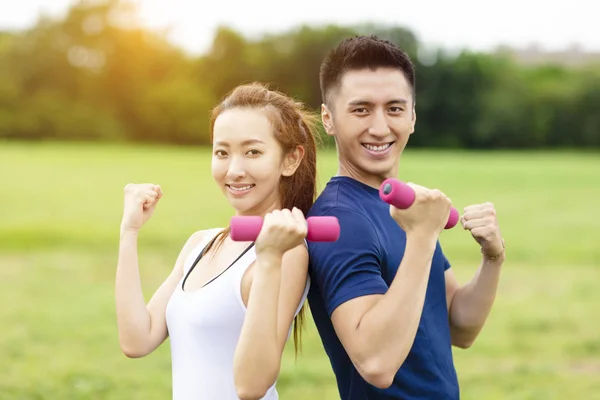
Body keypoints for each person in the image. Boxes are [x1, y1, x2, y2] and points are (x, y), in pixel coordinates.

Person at [306, 35, 506, 399]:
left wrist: (492, 257)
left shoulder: (407, 211)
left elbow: (459, 327)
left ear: (412, 116)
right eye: (361, 109)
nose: (381, 127)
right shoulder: (339, 222)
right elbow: (377, 364)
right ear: (328, 119)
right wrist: (423, 236)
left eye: (395, 109)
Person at [115, 82, 320, 400]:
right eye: (222, 152)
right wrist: (129, 232)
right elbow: (136, 340)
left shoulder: (287, 253)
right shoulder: (201, 244)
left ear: (290, 160)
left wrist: (267, 260)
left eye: (253, 152)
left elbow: (251, 386)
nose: (234, 170)